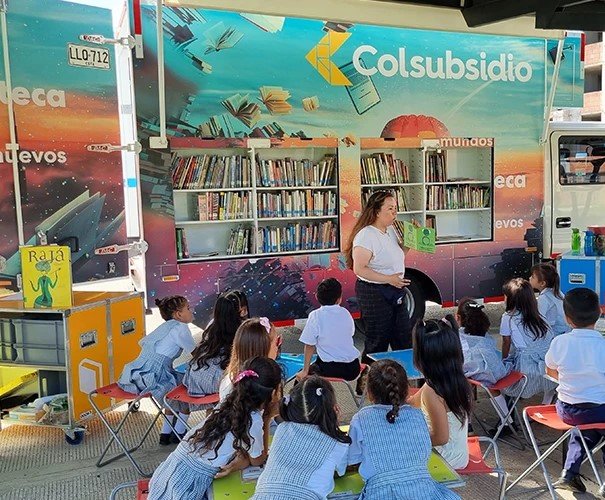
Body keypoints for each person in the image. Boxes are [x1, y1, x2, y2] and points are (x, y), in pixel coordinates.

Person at [147, 357, 283, 499]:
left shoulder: (230, 399)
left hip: (171, 469)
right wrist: (267, 419)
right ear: (274, 393)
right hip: (190, 484)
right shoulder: (253, 419)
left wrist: (242, 459)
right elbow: (258, 460)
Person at [348, 359, 460, 499]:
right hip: (424, 491)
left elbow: (352, 458)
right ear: (407, 390)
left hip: (381, 493)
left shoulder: (360, 419)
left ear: (369, 392)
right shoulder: (416, 415)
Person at [545, 288, 605, 495]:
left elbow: (550, 370)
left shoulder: (559, 342)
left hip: (567, 409)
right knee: (598, 425)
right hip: (598, 410)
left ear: (567, 318)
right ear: (599, 313)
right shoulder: (602, 345)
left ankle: (569, 474)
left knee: (584, 430)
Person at [251, 377, 351, 499]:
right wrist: (334, 424)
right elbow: (340, 471)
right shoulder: (338, 443)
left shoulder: (282, 429)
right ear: (333, 409)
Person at [344, 190, 413, 364]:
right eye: (390, 209)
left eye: (395, 208)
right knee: (377, 340)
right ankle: (367, 384)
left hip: (395, 289)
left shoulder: (390, 230)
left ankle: (405, 379)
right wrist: (389, 279)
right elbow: (359, 269)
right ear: (376, 212)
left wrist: (411, 240)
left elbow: (397, 255)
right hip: (374, 291)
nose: (394, 213)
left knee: (404, 338)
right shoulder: (366, 235)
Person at [117, 295, 196, 445]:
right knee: (185, 390)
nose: (191, 311)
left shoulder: (164, 327)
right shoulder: (180, 328)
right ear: (178, 314)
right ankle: (180, 432)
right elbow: (196, 353)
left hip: (135, 374)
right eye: (188, 308)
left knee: (171, 391)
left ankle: (165, 433)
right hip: (155, 376)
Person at [409, 320, 472, 469]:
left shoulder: (432, 391)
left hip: (446, 461)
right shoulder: (457, 380)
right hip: (459, 454)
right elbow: (411, 402)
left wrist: (411, 442)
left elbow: (441, 437)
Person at [446, 298, 511, 430]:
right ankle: (508, 421)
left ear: (458, 317)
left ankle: (466, 424)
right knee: (490, 387)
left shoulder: (458, 336)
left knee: (459, 381)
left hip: (478, 372)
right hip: (497, 372)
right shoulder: (485, 335)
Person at [499, 278, 557, 404]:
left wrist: (503, 360)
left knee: (501, 381)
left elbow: (506, 343)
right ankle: (547, 400)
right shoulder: (538, 315)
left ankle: (508, 415)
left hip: (527, 369)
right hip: (548, 367)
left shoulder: (508, 317)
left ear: (510, 298)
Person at [183, 291, 242, 413]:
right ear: (239, 310)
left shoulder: (212, 325)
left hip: (194, 379)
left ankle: (209, 425)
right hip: (215, 383)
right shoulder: (241, 328)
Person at [295, 278, 361, 382]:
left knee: (300, 379)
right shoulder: (345, 313)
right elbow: (351, 333)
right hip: (353, 368)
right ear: (339, 298)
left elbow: (309, 345)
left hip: (329, 368)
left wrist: (305, 370)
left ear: (316, 296)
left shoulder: (315, 316)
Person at [219, 317, 281, 401]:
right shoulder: (264, 385)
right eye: (277, 342)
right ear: (264, 349)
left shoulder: (229, 381)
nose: (278, 347)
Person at [529, 263, 570, 336]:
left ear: (542, 283)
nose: (530, 278)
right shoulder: (557, 293)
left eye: (532, 277)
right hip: (565, 331)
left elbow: (538, 319)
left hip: (554, 334)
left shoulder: (544, 298)